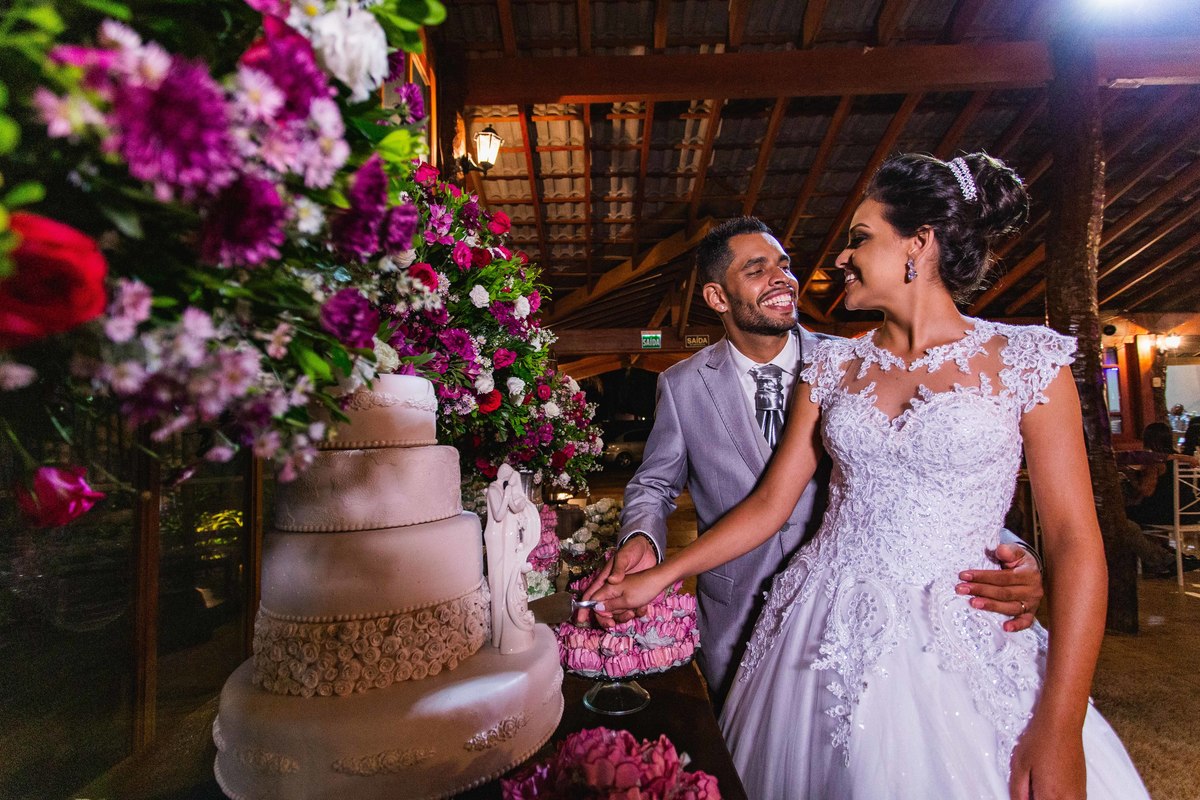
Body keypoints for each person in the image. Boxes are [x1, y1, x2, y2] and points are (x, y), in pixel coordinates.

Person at [589, 153, 1149, 799]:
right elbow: (771, 504)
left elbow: (1076, 541)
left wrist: (1059, 726)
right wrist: (659, 576)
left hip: (957, 623)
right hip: (819, 621)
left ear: (919, 242)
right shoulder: (832, 371)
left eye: (859, 238)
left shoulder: (1027, 361)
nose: (838, 259)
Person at [578, 216, 1045, 706]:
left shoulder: (854, 364)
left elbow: (932, 470)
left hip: (848, 610)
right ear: (718, 298)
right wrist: (641, 539)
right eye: (757, 270)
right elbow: (654, 484)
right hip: (735, 606)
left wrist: (1015, 554)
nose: (782, 277)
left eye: (783, 265)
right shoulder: (681, 383)